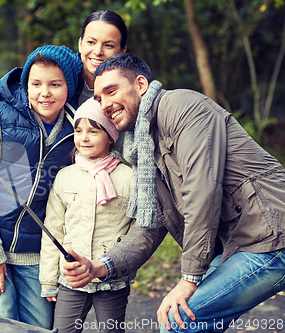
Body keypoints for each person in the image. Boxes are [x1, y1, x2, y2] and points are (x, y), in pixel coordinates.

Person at [61, 53, 285, 332]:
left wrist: (189, 278)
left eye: (111, 91)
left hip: (272, 236)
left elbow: (202, 192)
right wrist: (100, 267)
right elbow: (150, 227)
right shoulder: (141, 148)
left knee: (180, 322)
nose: (105, 104)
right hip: (240, 246)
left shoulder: (182, 107)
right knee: (189, 322)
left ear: (141, 84)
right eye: (98, 98)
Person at [0, 45, 81, 329]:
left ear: (69, 87)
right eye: (36, 84)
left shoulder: (76, 131)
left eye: (54, 84)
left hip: (32, 247)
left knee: (42, 325)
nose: (44, 92)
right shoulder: (0, 119)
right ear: (26, 85)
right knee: (3, 322)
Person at [39, 97, 134, 333]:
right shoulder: (65, 177)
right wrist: (49, 281)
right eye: (78, 130)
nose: (84, 137)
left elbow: (137, 233)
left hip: (111, 278)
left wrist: (125, 267)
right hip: (72, 277)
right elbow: (53, 230)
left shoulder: (129, 178)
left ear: (110, 136)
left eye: (93, 131)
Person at [76, 10, 128, 106]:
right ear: (80, 44)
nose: (98, 52)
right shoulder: (62, 78)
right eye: (91, 42)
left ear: (122, 52)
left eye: (108, 45)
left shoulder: (130, 87)